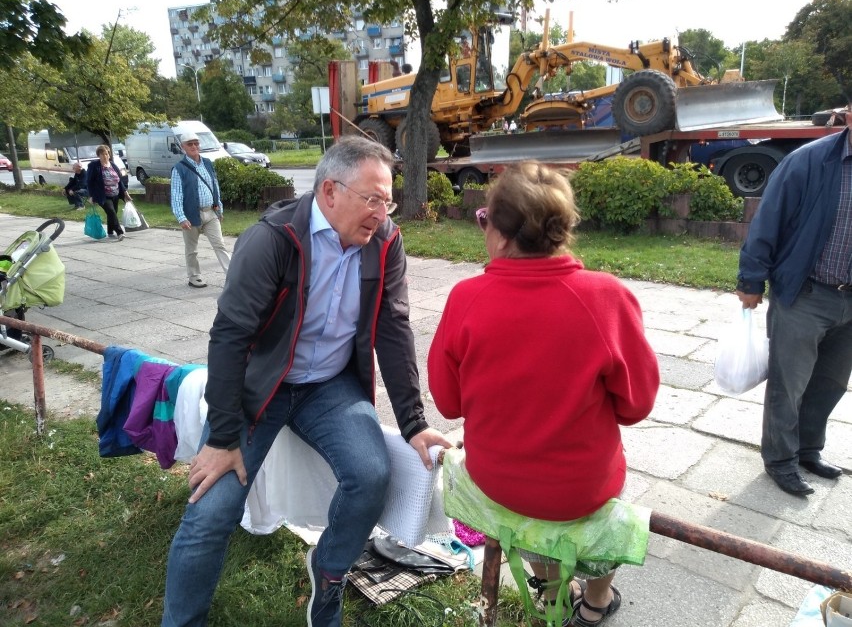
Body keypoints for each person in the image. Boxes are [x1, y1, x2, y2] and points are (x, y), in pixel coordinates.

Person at [161, 136, 451, 627]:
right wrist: (224, 437)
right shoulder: (272, 239)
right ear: (330, 191)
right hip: (261, 390)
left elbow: (394, 327)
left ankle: (329, 570)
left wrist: (413, 422)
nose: (382, 213)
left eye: (388, 200)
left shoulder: (384, 242)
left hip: (329, 388)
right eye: (373, 199)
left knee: (371, 474)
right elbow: (230, 337)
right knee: (213, 509)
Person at [427, 161, 659, 627]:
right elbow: (637, 405)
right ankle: (596, 603)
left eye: (484, 221)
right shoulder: (606, 297)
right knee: (599, 515)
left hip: (496, 480)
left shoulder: (465, 298)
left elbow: (448, 403)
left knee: (527, 515)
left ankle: (553, 584)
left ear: (500, 232)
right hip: (581, 488)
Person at [736, 101, 852, 497]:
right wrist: (751, 279)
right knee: (790, 384)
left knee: (831, 383)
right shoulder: (809, 162)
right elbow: (768, 220)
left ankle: (807, 450)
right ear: (850, 114)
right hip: (805, 292)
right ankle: (780, 461)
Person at [169, 132, 230, 289]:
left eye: (196, 143)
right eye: (190, 144)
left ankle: (232, 276)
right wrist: (181, 217)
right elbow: (176, 195)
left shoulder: (208, 163)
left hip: (210, 212)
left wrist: (219, 207)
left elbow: (214, 186)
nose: (194, 146)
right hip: (191, 214)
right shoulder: (179, 169)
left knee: (220, 245)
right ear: (183, 147)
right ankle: (194, 276)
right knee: (192, 249)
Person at [87, 145, 130, 241]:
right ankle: (119, 232)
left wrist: (125, 192)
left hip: (115, 193)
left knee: (113, 212)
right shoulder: (94, 166)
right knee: (111, 211)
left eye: (106, 154)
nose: (105, 156)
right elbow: (89, 181)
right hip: (102, 195)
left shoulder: (113, 165)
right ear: (99, 155)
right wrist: (90, 196)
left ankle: (110, 231)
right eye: (102, 154)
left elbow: (119, 181)